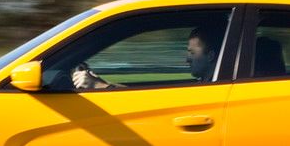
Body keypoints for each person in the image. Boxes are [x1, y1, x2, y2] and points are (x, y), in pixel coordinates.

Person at [68, 21, 224, 91]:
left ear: (210, 55)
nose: (186, 59)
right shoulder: (204, 84)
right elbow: (143, 97)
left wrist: (98, 86)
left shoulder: (210, 91)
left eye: (192, 53)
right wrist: (102, 83)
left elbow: (162, 106)